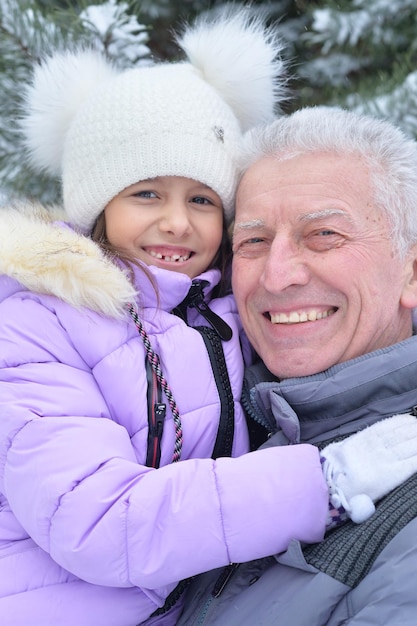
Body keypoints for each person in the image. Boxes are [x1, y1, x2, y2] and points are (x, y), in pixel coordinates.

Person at [1, 13, 417, 626]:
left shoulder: (211, 318)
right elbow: (93, 517)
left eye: (202, 200)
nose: (276, 277)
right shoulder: (46, 322)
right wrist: (325, 481)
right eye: (252, 241)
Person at [176, 105, 417, 626]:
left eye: (325, 234)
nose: (277, 275)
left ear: (411, 270)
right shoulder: (197, 433)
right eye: (253, 241)